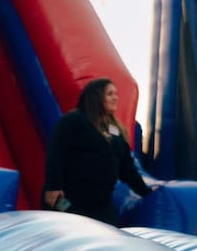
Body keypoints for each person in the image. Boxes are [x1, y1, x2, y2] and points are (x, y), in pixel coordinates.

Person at [43, 78, 153, 225]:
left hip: (101, 205)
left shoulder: (117, 132)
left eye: (116, 94)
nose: (115, 98)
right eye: (110, 94)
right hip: (72, 199)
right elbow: (56, 154)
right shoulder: (74, 121)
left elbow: (128, 170)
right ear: (96, 97)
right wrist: (53, 186)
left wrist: (146, 192)